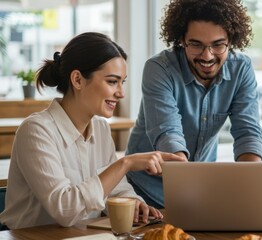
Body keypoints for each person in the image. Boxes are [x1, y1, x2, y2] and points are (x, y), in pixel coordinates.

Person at [0, 32, 186, 230]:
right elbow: (65, 210)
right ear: (78, 80)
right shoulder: (36, 131)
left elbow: (116, 189)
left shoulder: (100, 128)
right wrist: (126, 163)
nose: (121, 93)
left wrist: (132, 203)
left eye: (122, 82)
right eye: (112, 81)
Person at [126, 0, 262, 208]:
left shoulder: (241, 69)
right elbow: (168, 134)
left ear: (231, 40)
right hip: (145, 193)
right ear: (182, 40)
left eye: (218, 44)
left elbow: (248, 133)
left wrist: (248, 189)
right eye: (196, 44)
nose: (207, 56)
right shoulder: (159, 68)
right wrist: (194, 193)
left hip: (199, 191)